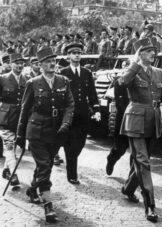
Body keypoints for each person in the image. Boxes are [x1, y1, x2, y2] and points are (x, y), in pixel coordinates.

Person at [119, 38, 162, 222]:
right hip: (135, 121)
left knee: (141, 161)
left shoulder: (158, 73)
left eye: (153, 51)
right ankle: (150, 206)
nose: (153, 54)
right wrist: (135, 65)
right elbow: (122, 83)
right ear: (140, 54)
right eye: (148, 51)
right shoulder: (132, 70)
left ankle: (128, 188)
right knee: (143, 161)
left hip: (152, 121)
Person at [16, 47, 74, 223]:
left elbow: (70, 105)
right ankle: (48, 205)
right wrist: (20, 134)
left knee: (45, 164)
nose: (52, 64)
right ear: (40, 65)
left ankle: (33, 190)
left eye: (53, 61)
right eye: (47, 61)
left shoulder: (64, 81)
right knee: (45, 166)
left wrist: (65, 123)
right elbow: (24, 110)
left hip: (56, 131)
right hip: (36, 131)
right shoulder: (32, 83)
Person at [60, 43, 100, 184]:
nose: (77, 55)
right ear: (68, 56)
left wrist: (96, 109)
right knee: (70, 143)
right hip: (68, 114)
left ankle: (71, 160)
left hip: (83, 113)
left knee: (81, 143)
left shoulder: (86, 73)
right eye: (73, 53)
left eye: (79, 52)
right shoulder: (62, 73)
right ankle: (72, 174)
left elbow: (92, 93)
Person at [0, 53, 30, 186]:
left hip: (21, 118)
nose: (20, 65)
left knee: (16, 146)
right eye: (17, 63)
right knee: (9, 145)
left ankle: (6, 170)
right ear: (11, 64)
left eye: (22, 63)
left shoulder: (28, 80)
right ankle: (13, 174)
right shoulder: (3, 79)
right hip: (6, 118)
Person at [106, 71, 130, 175]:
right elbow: (120, 104)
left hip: (141, 118)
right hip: (124, 118)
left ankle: (133, 178)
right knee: (120, 148)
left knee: (139, 152)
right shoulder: (121, 80)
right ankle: (111, 160)